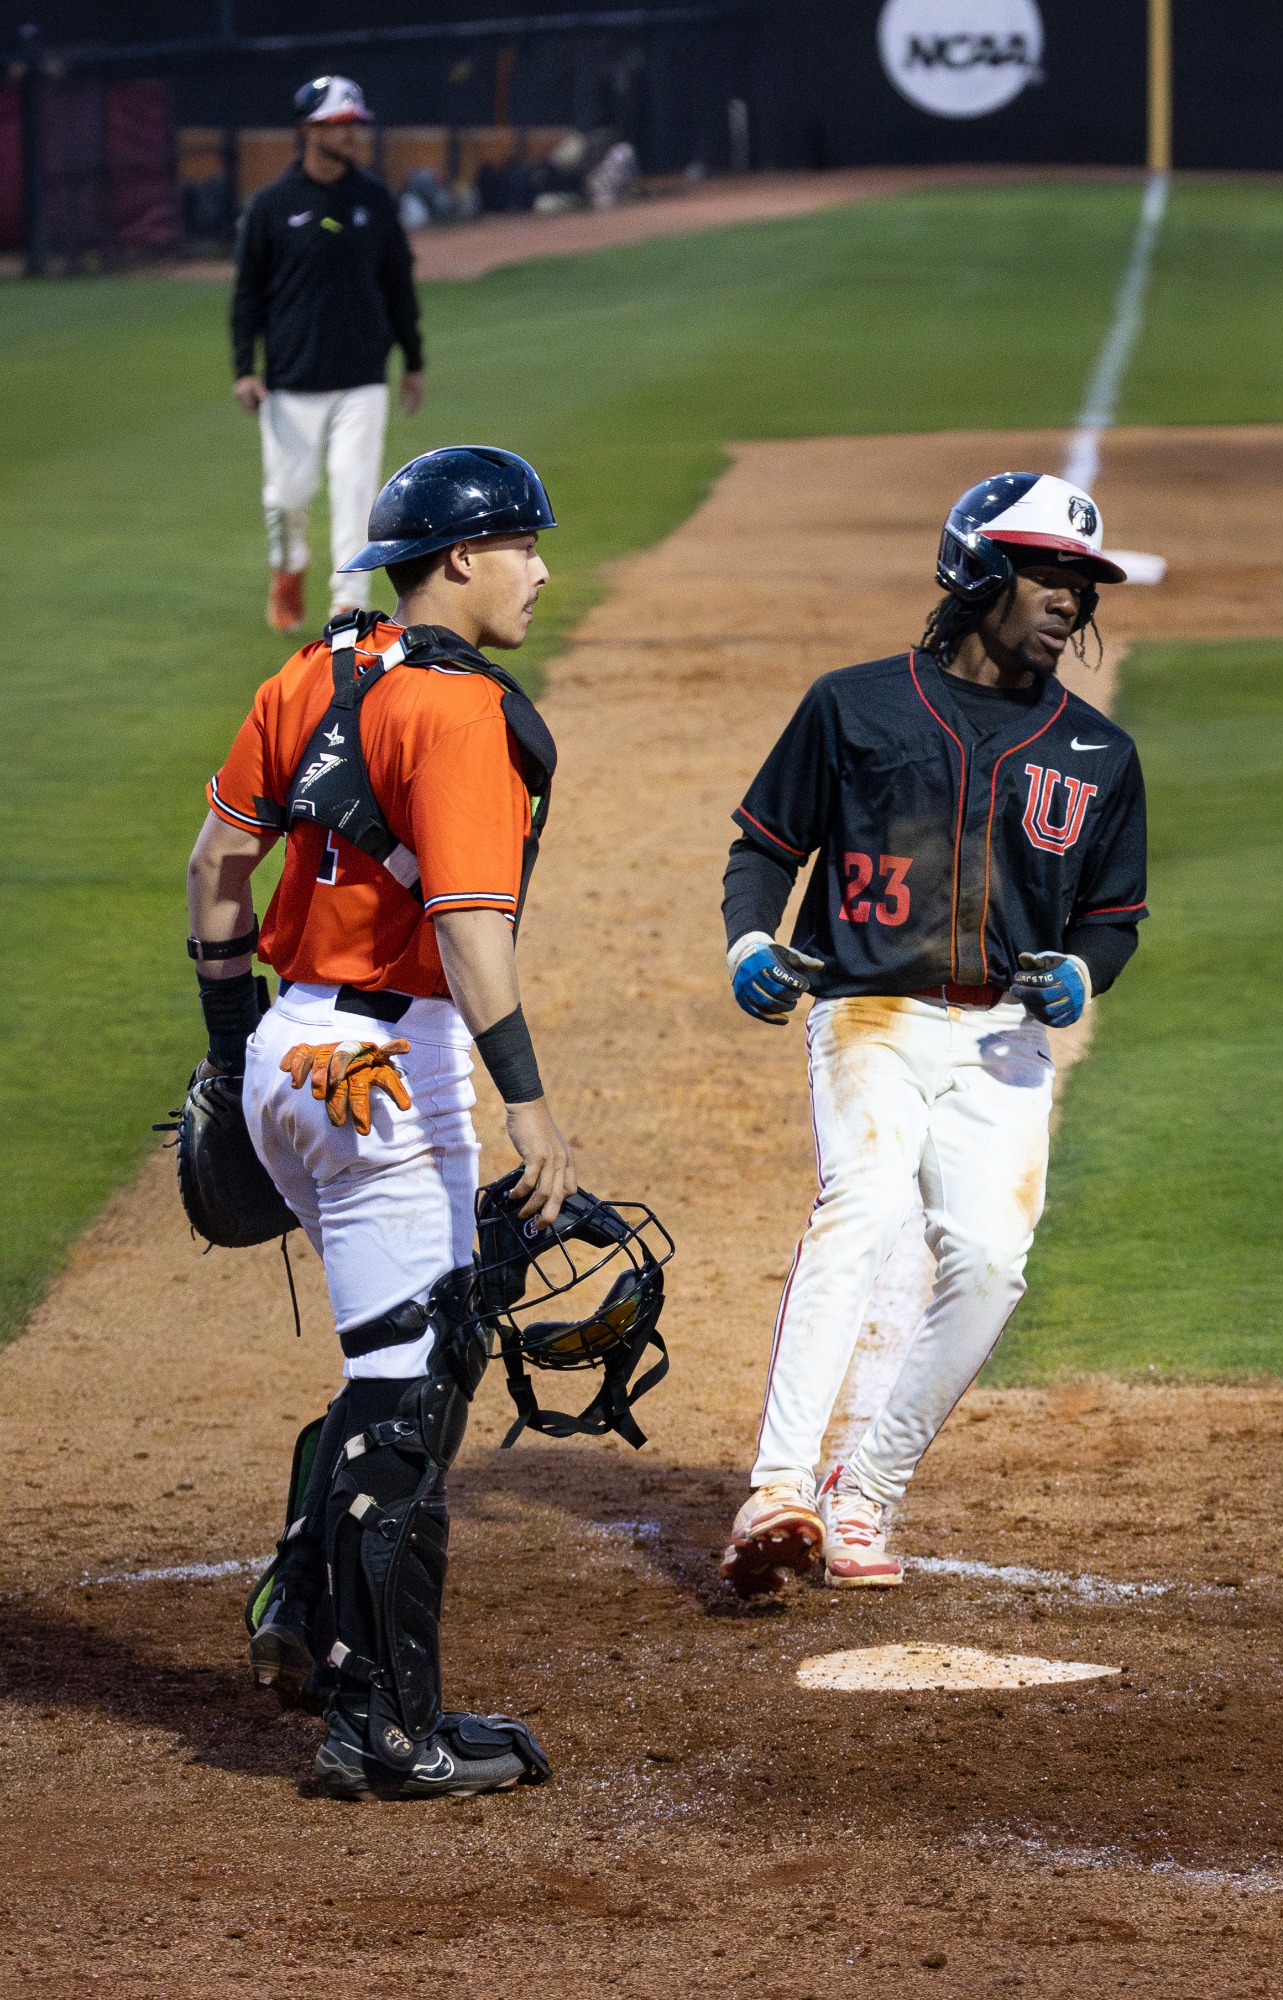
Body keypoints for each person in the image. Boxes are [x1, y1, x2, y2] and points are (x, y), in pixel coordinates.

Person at [185, 446, 569, 1798]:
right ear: (459, 558)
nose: (540, 569)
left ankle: (304, 1595)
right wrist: (535, 1111)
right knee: (409, 1403)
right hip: (386, 1071)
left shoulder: (310, 675)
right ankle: (386, 1730)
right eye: (523, 545)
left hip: (295, 1046)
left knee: (419, 1348)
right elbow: (468, 928)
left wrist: (234, 1058)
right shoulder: (459, 714)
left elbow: (219, 865)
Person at [719, 473, 1147, 1595]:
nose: (1068, 598)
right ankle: (776, 1488)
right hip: (871, 1013)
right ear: (977, 571)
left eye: (1081, 579)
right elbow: (765, 845)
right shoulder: (853, 705)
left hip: (1004, 1039)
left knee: (993, 1265)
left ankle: (862, 1499)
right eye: (1045, 571)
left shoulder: (1097, 752)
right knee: (857, 1206)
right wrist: (749, 942)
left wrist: (1079, 973)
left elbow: (1111, 914)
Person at [230, 75, 425, 636]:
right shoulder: (271, 207)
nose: (353, 134)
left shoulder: (373, 201)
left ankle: (348, 605)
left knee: (355, 491)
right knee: (286, 498)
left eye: (355, 124)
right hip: (290, 381)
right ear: (309, 129)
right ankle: (289, 567)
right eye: (341, 124)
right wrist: (245, 367)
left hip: (363, 378)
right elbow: (248, 295)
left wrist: (412, 359)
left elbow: (398, 284)